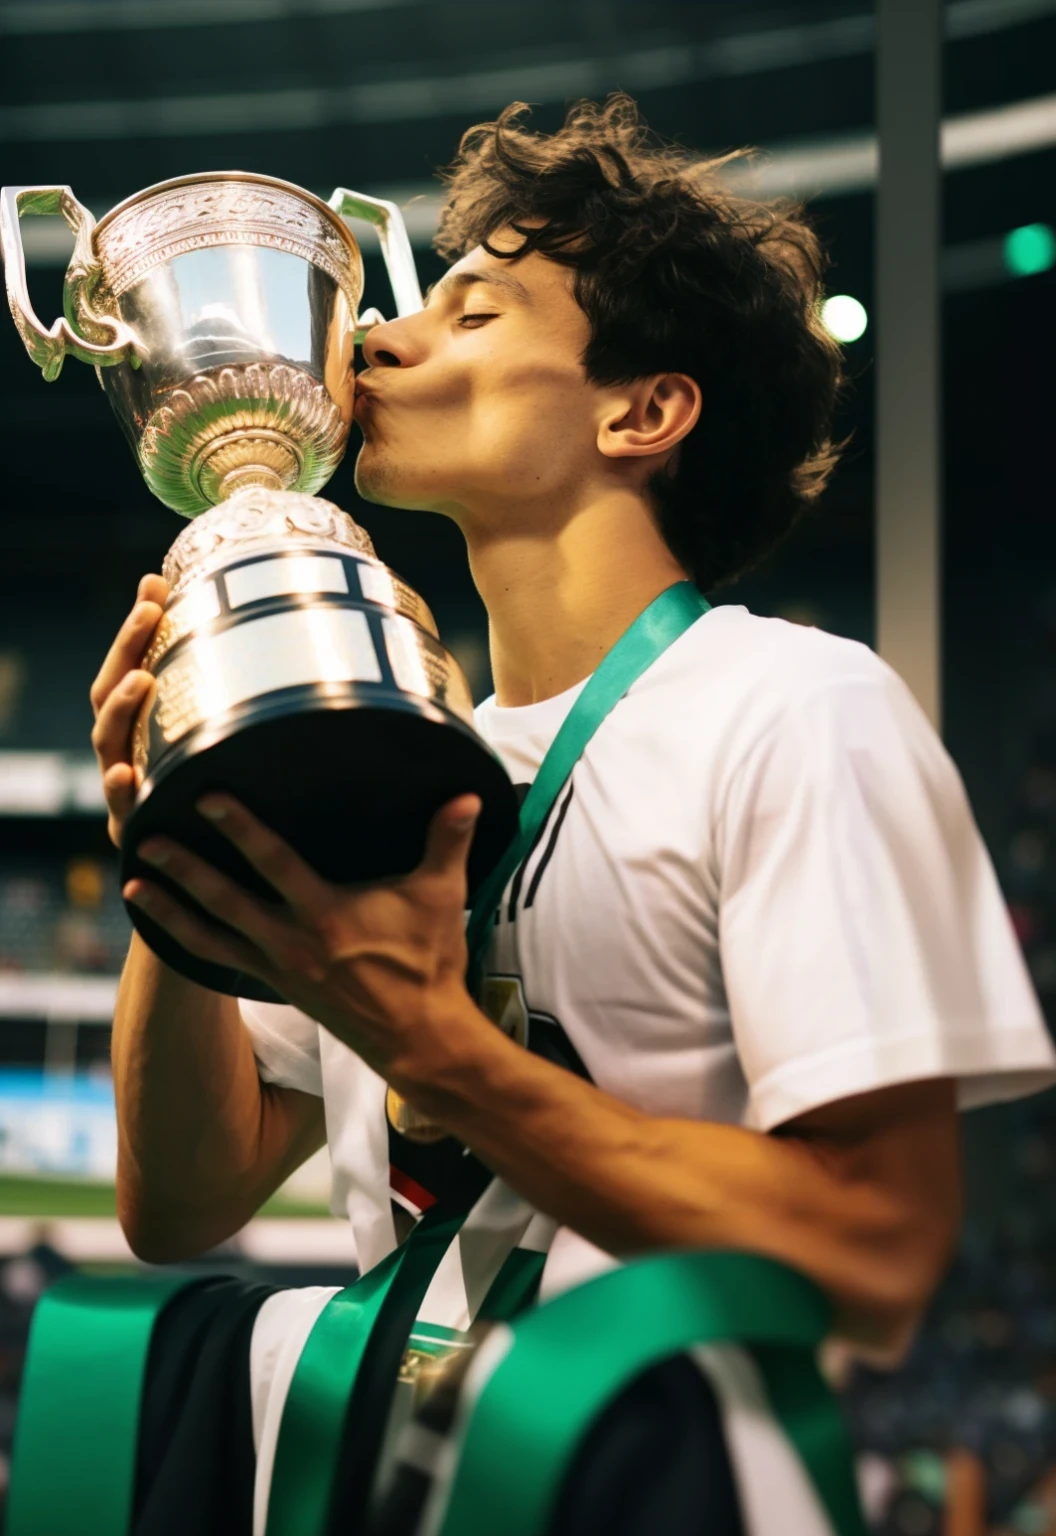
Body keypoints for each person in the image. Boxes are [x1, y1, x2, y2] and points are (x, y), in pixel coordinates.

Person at [88, 97, 1056, 1534]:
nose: (377, 342)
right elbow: (179, 1201)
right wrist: (189, 816)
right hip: (376, 1477)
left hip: (655, 1482)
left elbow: (878, 1246)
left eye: (471, 314)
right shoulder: (388, 752)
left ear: (641, 410)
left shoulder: (796, 706)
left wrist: (440, 1051)